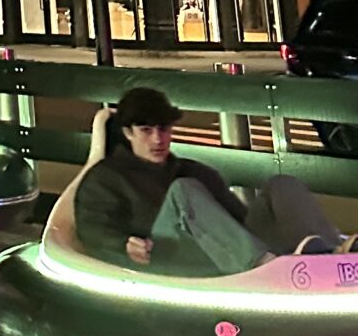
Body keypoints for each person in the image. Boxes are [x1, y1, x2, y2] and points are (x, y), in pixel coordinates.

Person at [74, 86, 346, 274]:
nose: (158, 139)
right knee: (184, 191)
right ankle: (264, 270)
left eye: (164, 129)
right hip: (164, 257)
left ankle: (336, 258)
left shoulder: (194, 171)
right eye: (146, 130)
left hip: (220, 255)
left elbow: (240, 222)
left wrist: (278, 229)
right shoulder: (106, 178)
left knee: (281, 184)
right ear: (128, 132)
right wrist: (123, 244)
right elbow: (90, 228)